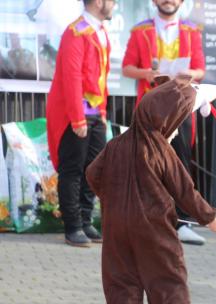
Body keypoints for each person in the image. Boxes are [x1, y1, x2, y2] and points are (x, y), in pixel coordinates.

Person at [85, 75, 216, 304]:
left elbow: (93, 174)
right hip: (153, 225)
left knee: (121, 276)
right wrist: (210, 217)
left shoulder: (116, 144)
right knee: (166, 273)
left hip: (116, 226)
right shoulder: (160, 148)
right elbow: (184, 189)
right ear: (169, 119)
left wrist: (111, 199)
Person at [122, 0, 207, 245]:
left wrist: (189, 74)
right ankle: (147, 221)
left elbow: (200, 69)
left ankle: (181, 223)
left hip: (181, 107)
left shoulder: (192, 31)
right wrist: (146, 74)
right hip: (151, 107)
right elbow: (127, 67)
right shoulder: (140, 31)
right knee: (147, 162)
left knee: (179, 162)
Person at [46, 0, 115, 247]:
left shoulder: (100, 31)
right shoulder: (76, 32)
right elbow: (71, 76)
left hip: (96, 113)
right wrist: (77, 117)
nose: (115, 4)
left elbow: (102, 76)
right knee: (72, 170)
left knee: (92, 170)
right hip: (74, 113)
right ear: (99, 2)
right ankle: (73, 227)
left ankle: (86, 221)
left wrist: (104, 112)